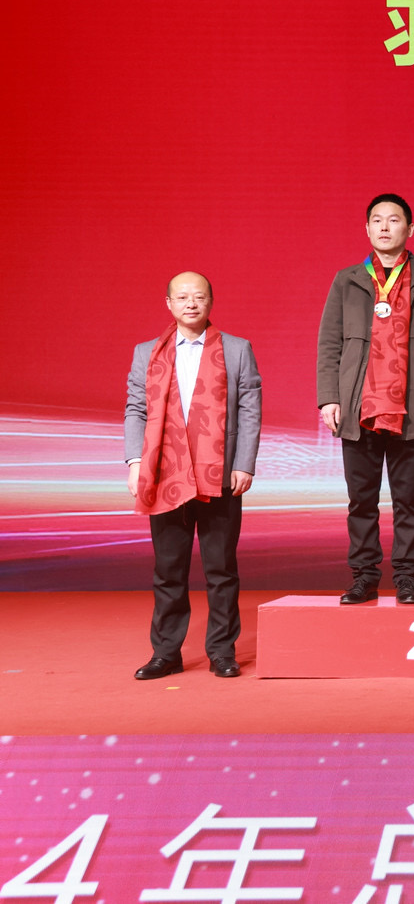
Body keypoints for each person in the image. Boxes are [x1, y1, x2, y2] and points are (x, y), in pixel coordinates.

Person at [317, 195, 414, 606]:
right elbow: (329, 343)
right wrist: (329, 398)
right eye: (377, 220)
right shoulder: (347, 280)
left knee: (408, 501)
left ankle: (407, 577)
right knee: (361, 501)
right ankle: (364, 576)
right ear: (367, 229)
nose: (385, 227)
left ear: (410, 229)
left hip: (411, 407)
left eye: (394, 220)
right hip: (358, 406)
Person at [125, 272, 261, 679]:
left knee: (221, 570)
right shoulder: (147, 353)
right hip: (165, 473)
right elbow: (136, 409)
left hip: (220, 474)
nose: (190, 304)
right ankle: (166, 653)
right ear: (168, 303)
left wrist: (244, 463)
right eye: (182, 297)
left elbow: (250, 410)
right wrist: (135, 462)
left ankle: (222, 651)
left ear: (210, 302)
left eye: (198, 297)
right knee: (168, 570)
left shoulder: (237, 349)